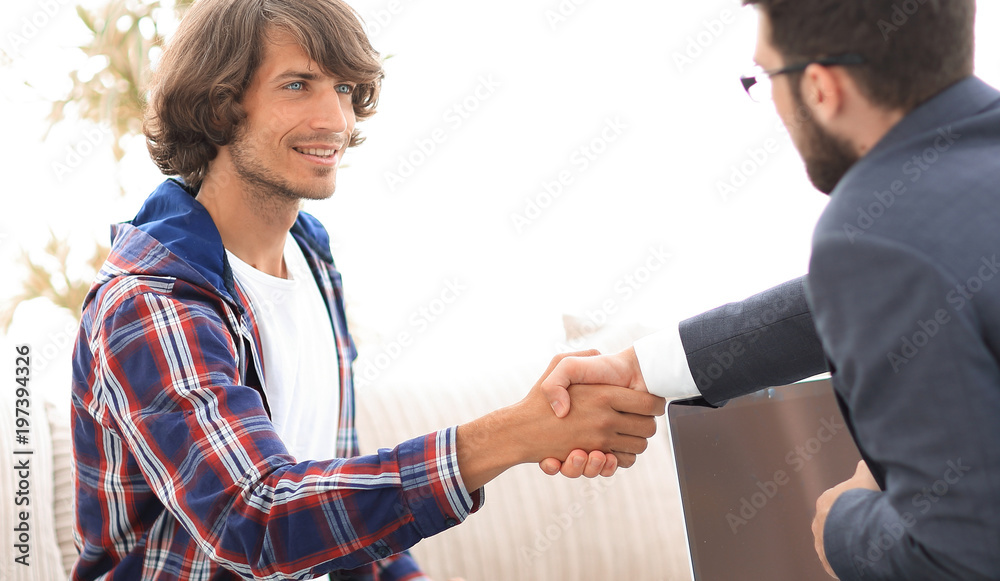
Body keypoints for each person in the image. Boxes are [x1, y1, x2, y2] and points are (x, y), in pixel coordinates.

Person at [68, 1, 665, 579]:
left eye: (346, 89)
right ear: (221, 106)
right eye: (298, 85)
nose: (335, 120)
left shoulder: (310, 259)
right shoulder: (151, 302)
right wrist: (518, 433)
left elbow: (333, 502)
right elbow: (257, 520)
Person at [540, 0, 1000, 579]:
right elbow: (902, 279)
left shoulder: (876, 232)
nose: (773, 105)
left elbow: (956, 559)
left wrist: (845, 523)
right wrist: (642, 368)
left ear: (819, 87)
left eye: (764, 78)